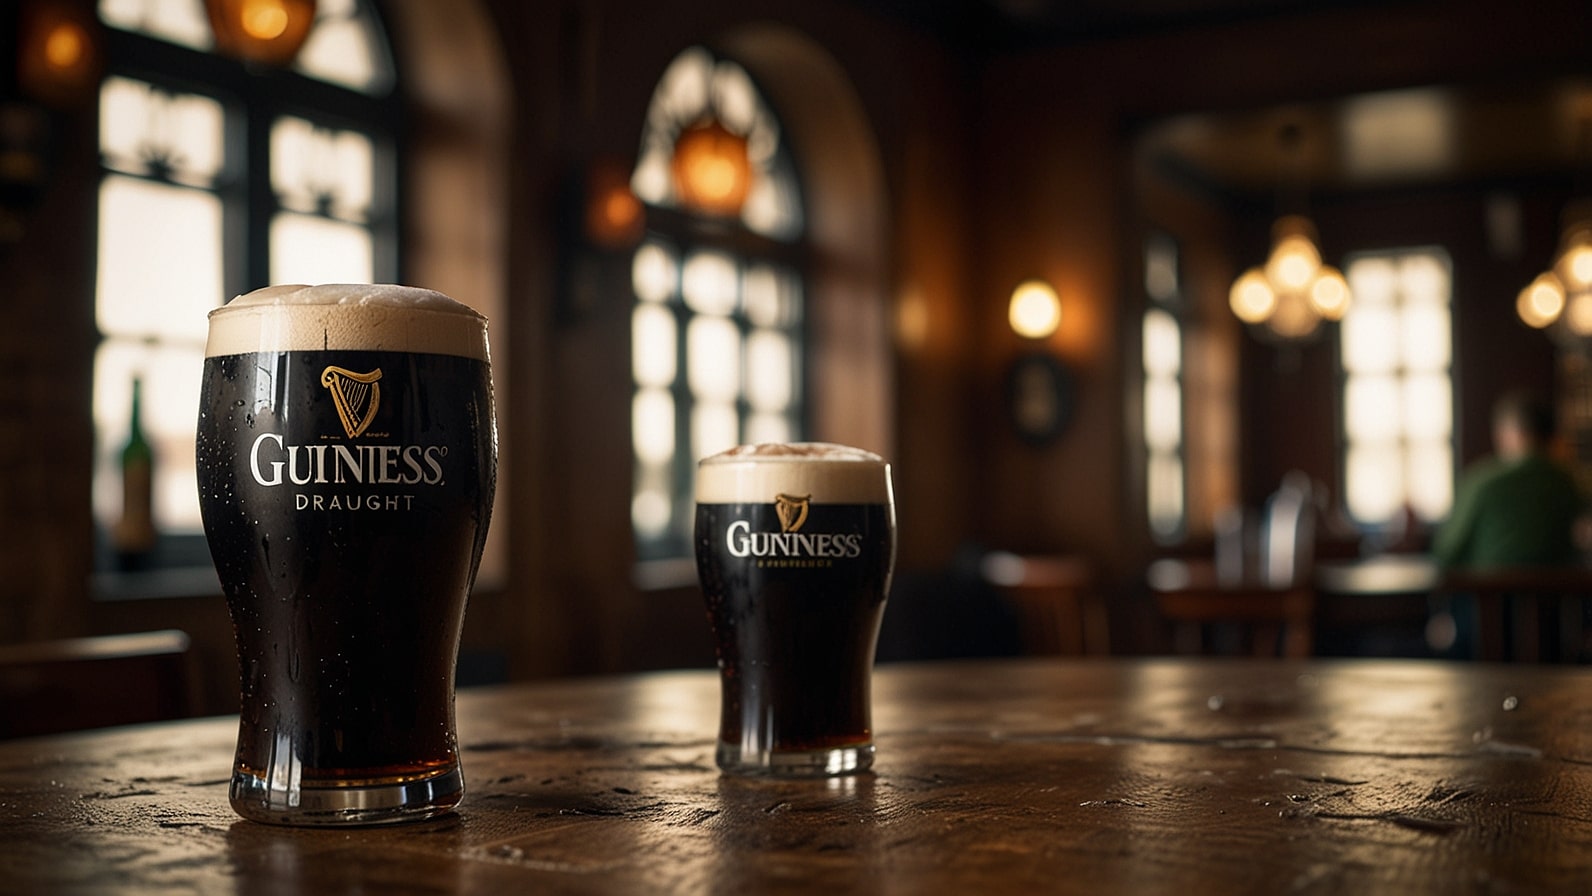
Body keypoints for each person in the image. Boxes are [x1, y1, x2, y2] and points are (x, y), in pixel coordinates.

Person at [1428, 391, 1587, 658]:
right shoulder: (1568, 483)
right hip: (1554, 629)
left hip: (1485, 628)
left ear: (1508, 432)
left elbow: (1446, 552)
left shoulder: (1483, 481)